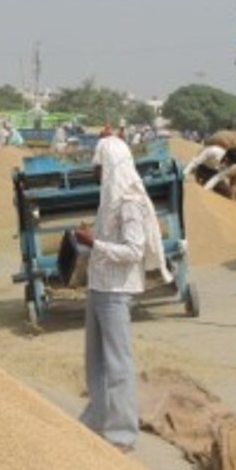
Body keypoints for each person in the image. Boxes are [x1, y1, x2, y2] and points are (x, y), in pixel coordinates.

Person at [73, 134, 171, 453]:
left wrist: (93, 244)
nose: (94, 174)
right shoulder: (110, 198)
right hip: (100, 285)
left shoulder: (129, 200)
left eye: (98, 167)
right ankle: (96, 419)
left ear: (111, 167)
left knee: (118, 364)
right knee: (96, 363)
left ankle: (122, 433)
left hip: (116, 291)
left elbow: (133, 250)